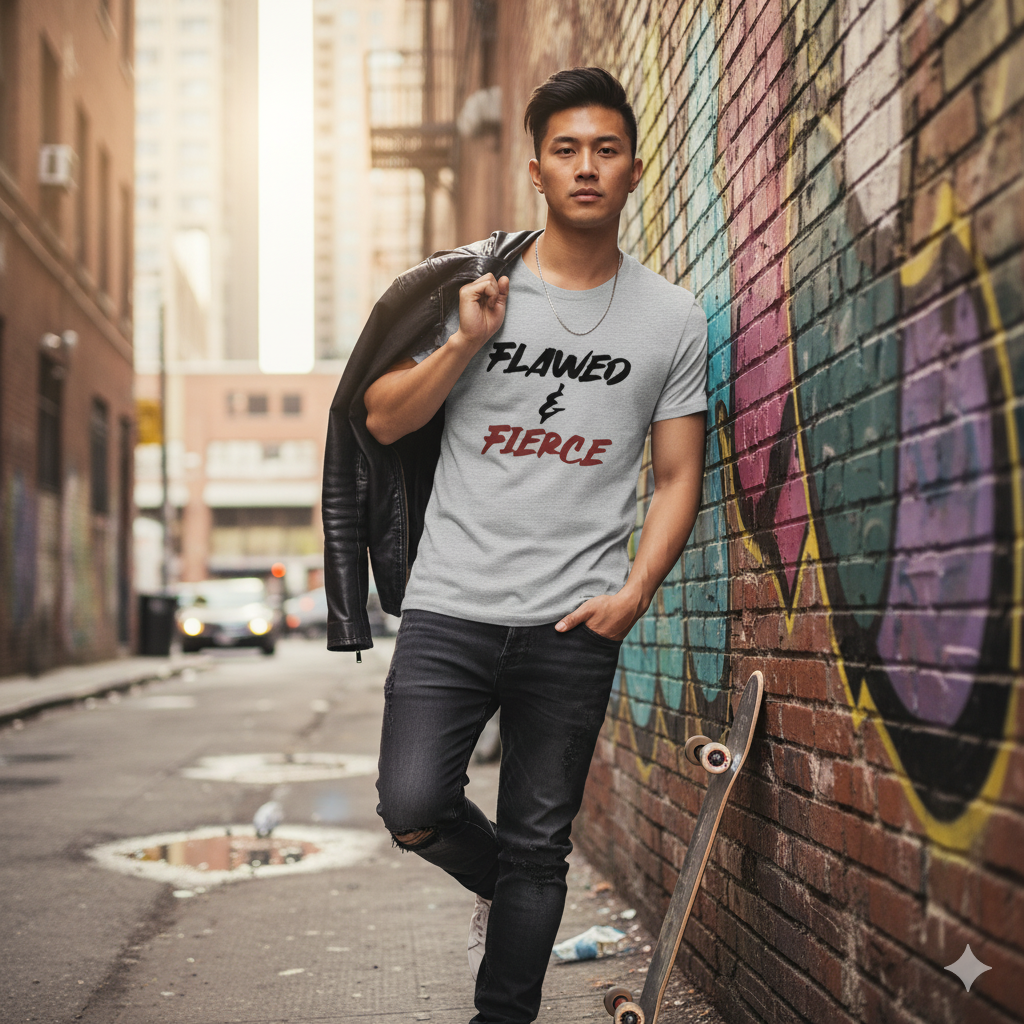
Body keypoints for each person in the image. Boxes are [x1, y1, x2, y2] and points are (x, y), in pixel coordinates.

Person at [333, 67, 708, 1024]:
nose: (587, 167)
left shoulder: (672, 317)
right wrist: (465, 343)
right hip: (451, 604)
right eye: (566, 150)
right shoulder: (474, 289)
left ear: (633, 170)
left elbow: (677, 476)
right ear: (536, 169)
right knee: (412, 806)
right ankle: (516, 895)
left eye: (606, 150)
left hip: (573, 623)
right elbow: (381, 418)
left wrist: (634, 593)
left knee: (542, 846)